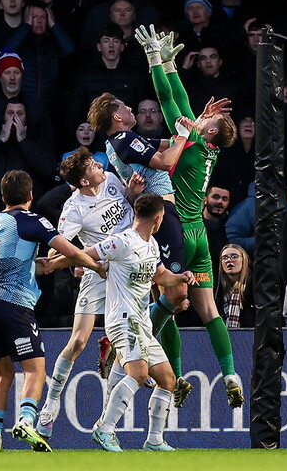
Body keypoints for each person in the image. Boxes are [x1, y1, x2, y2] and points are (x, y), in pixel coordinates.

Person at [135, 24, 243, 409]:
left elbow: (168, 99)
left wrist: (155, 60)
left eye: (206, 122)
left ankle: (175, 374)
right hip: (200, 234)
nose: (199, 117)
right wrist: (172, 65)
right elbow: (183, 102)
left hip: (177, 231)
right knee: (208, 309)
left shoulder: (192, 142)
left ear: (208, 133)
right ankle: (230, 373)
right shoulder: (208, 148)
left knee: (169, 303)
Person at [0, 169, 103, 453]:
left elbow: (12, 259)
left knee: (2, 373)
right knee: (35, 370)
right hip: (14, 304)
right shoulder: (31, 220)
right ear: (31, 195)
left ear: (3, 197)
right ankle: (26, 421)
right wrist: (97, 267)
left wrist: (38, 266)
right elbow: (71, 250)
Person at [36, 147, 143, 439]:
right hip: (98, 271)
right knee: (79, 340)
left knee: (127, 343)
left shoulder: (112, 180)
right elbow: (58, 249)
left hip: (129, 269)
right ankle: (50, 404)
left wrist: (132, 194)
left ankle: (107, 422)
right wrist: (73, 262)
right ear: (84, 181)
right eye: (93, 166)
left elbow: (129, 210)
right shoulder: (74, 209)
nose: (100, 166)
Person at [76, 192, 197, 452]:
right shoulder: (122, 241)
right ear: (158, 218)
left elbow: (161, 276)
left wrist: (181, 277)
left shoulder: (151, 244)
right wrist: (57, 263)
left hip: (141, 322)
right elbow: (84, 253)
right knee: (139, 374)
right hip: (122, 319)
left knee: (167, 380)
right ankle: (104, 429)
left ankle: (154, 440)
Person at [215, 243, 253, 328]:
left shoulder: (254, 284)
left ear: (244, 260)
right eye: (225, 258)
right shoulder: (217, 288)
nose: (229, 260)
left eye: (234, 257)